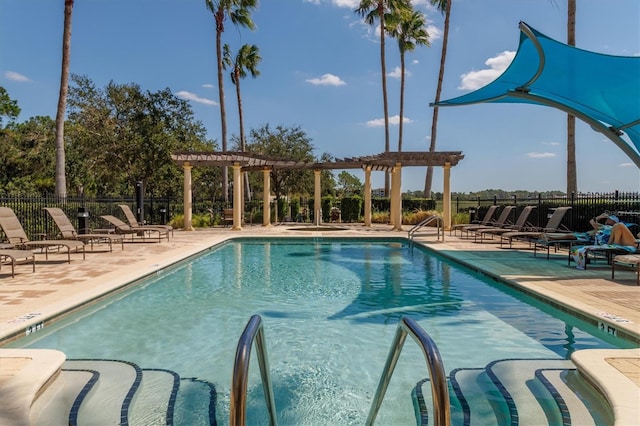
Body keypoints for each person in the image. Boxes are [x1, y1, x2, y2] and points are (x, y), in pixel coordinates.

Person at [571, 214, 637, 269]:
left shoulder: (616, 226)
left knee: (619, 225)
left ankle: (615, 244)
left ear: (614, 221)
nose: (607, 220)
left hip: (626, 243)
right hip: (617, 242)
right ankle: (614, 244)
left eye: (610, 219)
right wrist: (601, 216)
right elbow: (592, 222)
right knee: (618, 226)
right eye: (608, 218)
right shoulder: (603, 227)